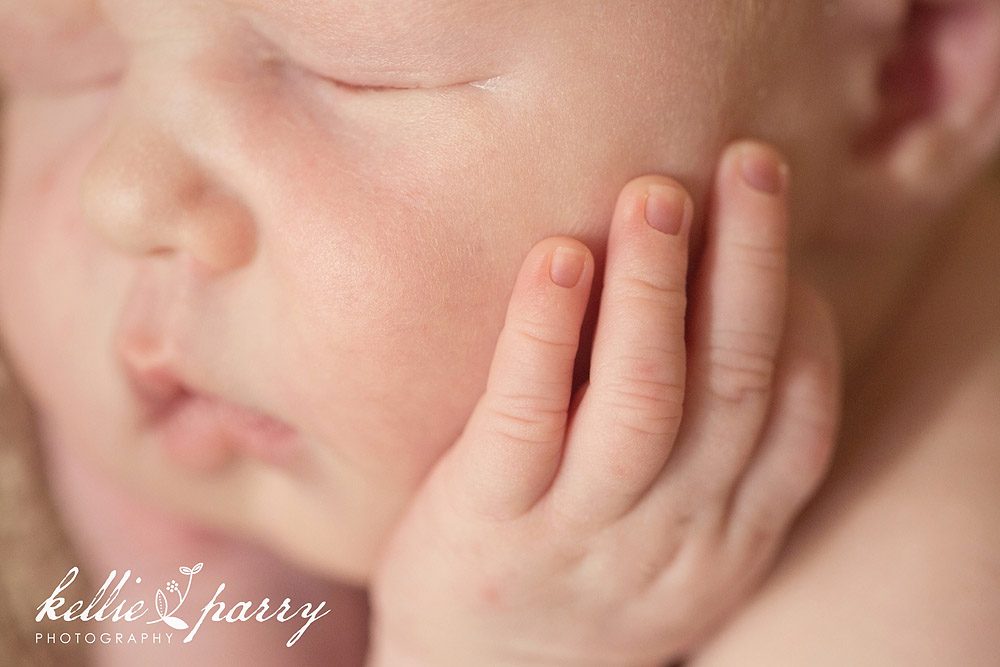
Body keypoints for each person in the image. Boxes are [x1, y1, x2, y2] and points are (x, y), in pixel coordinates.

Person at [0, 0, 998, 664]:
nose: (122, 195)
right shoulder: (232, 395)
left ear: (899, 76)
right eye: (59, 69)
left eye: (358, 75)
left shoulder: (924, 605)